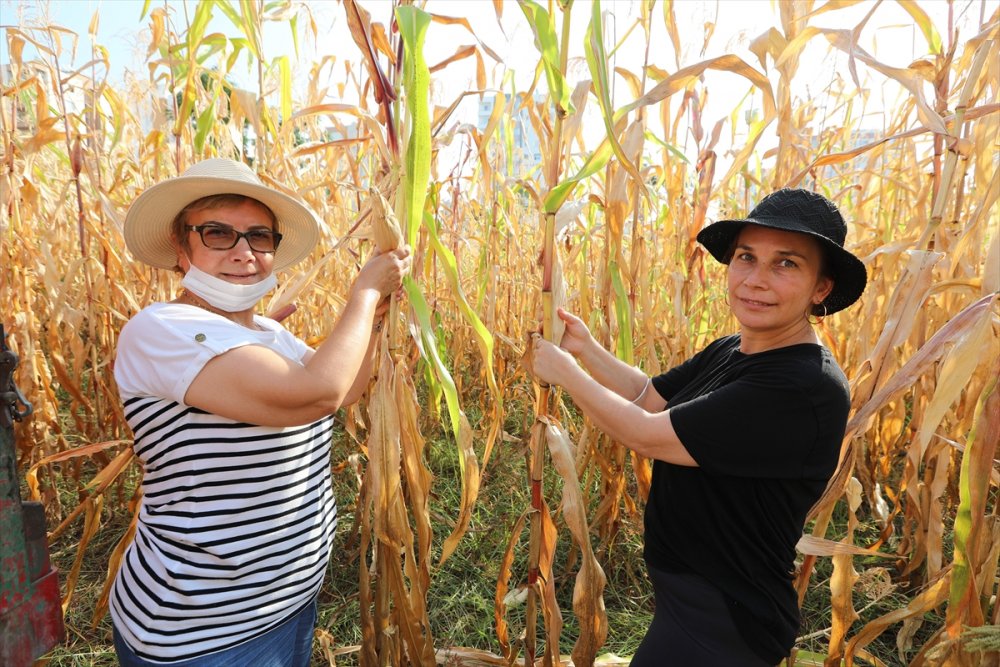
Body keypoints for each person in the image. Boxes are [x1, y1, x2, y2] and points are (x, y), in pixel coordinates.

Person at [530, 188, 867, 666]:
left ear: (821, 289)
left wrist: (565, 373)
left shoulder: (801, 386)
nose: (755, 280)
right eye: (746, 257)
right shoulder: (734, 349)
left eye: (786, 263)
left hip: (726, 614)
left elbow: (645, 433)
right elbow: (648, 396)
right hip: (692, 595)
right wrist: (584, 349)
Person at [110, 158, 412, 666]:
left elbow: (348, 388)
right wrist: (364, 292)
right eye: (218, 234)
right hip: (201, 631)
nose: (244, 251)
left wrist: (378, 317)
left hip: (286, 603)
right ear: (181, 248)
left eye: (259, 236)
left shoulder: (270, 333)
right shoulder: (160, 328)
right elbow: (318, 393)